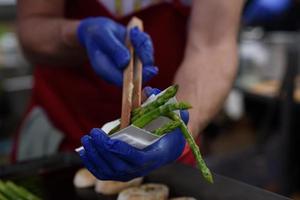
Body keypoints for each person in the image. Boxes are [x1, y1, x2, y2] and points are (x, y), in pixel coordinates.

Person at [15, 0, 244, 180]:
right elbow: (32, 25)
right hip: (59, 128)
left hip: (160, 145)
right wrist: (76, 35)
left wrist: (183, 126)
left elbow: (213, 45)